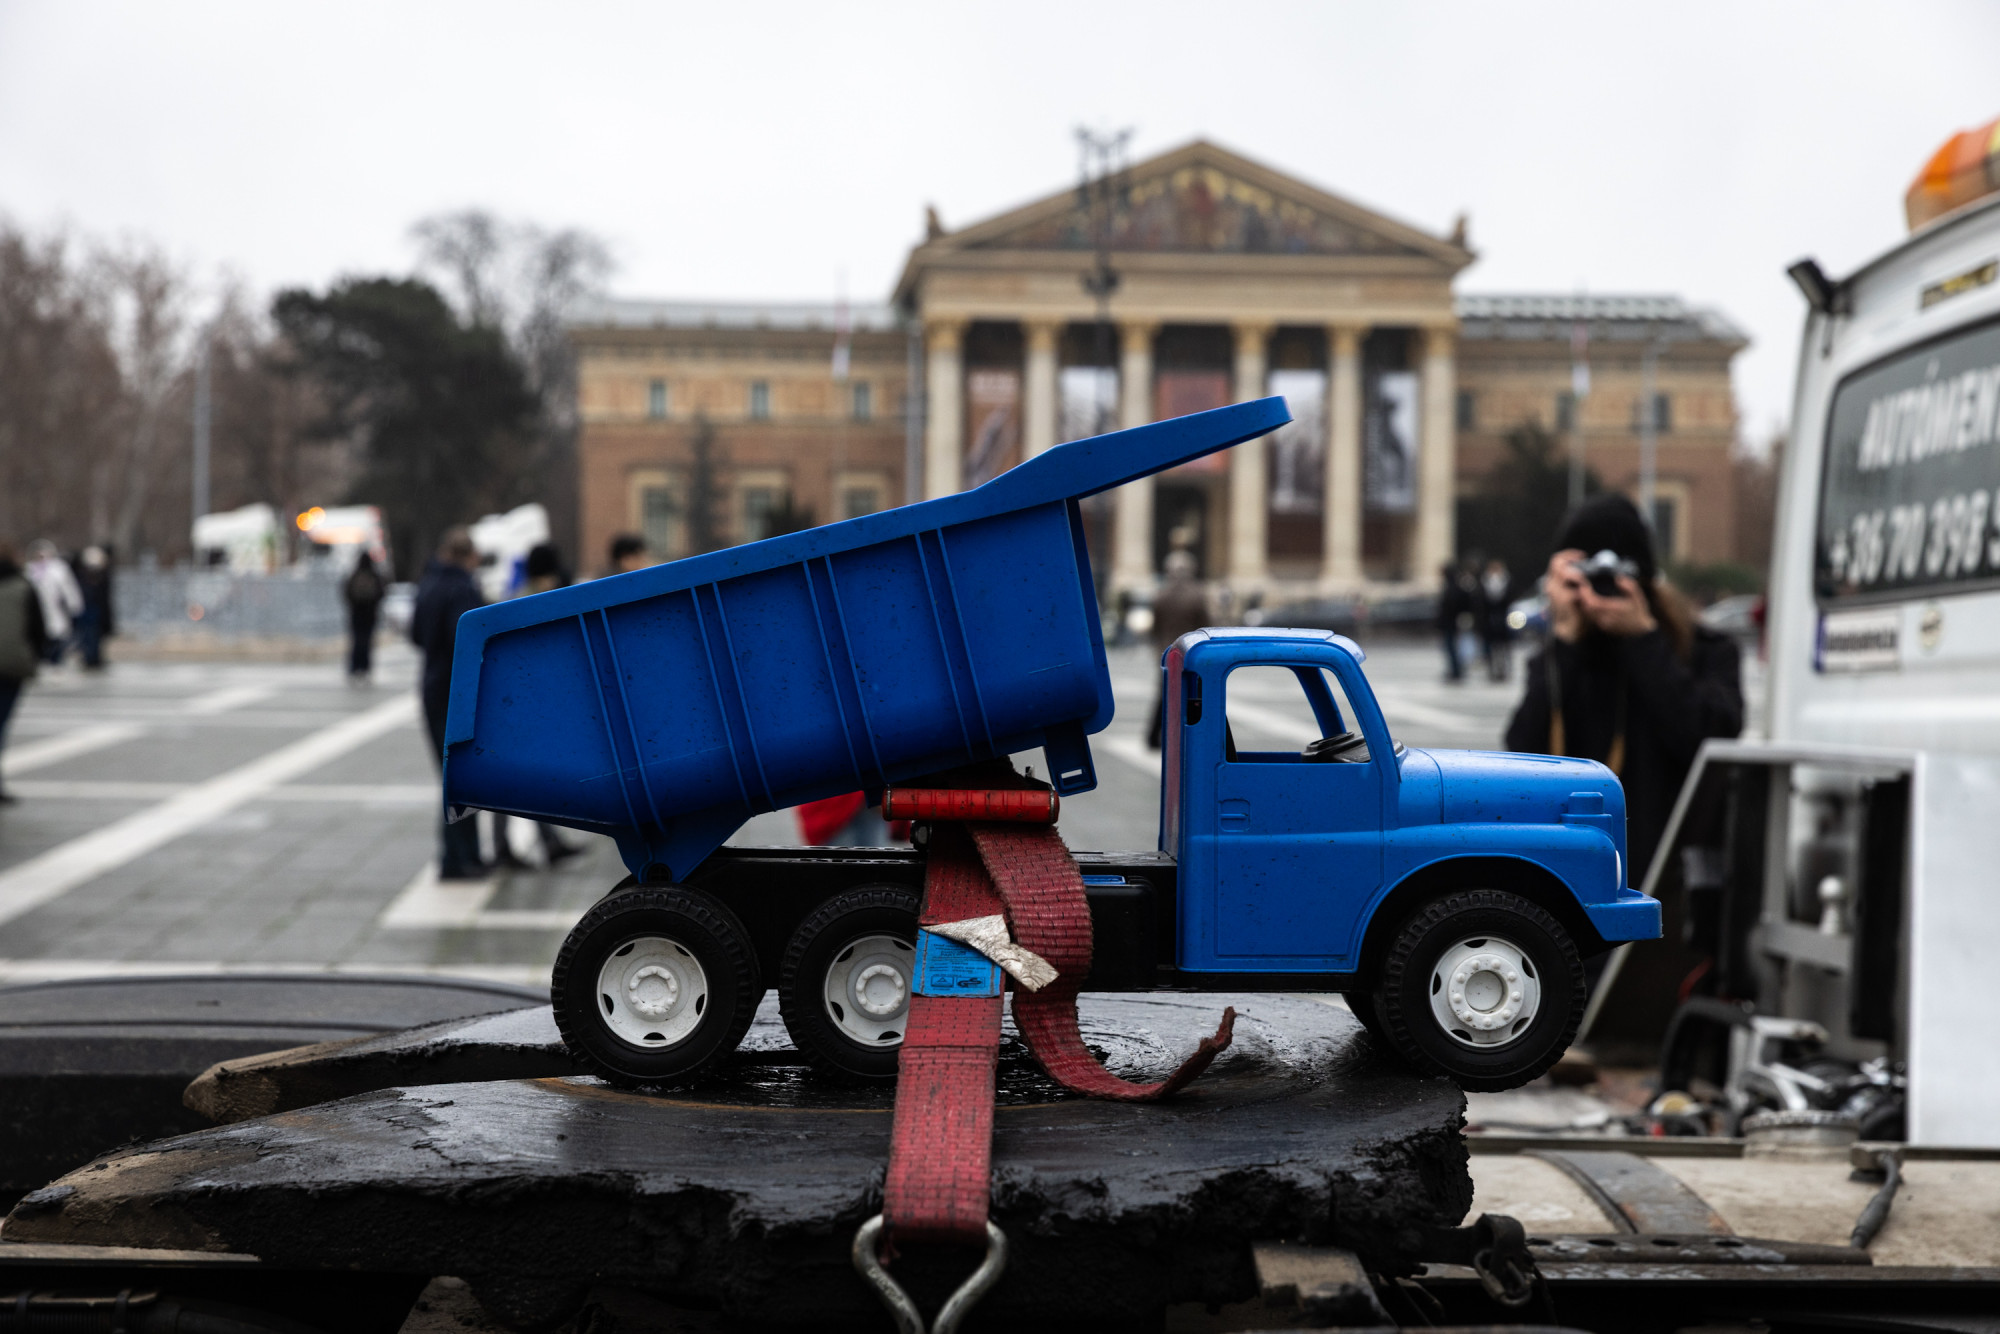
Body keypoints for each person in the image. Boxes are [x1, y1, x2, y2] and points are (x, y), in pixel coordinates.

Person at [1503, 494, 1743, 882]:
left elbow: (1710, 739)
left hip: (1669, 873)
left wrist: (1644, 641)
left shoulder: (1704, 651)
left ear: (1640, 578)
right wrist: (1564, 642)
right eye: (1582, 574)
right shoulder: (1562, 658)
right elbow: (1521, 756)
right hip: (1571, 873)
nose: (1598, 589)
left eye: (1610, 576)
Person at [490, 541, 584, 869]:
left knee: (522, 776)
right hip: (520, 706)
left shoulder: (521, 597)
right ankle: (509, 846)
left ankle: (546, 842)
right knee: (513, 778)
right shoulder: (534, 601)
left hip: (514, 704)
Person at [410, 528, 488, 880]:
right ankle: (459, 859)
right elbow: (469, 638)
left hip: (430, 687)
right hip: (456, 692)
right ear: (468, 556)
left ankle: (462, 856)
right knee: (462, 778)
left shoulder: (427, 584)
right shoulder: (463, 588)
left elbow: (414, 634)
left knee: (451, 778)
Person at [0, 543, 50, 804]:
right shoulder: (23, 586)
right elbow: (38, 629)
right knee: (1, 722)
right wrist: (36, 658)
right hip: (12, 664)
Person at [1147, 549, 1210, 749]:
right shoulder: (1197, 596)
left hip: (1166, 651)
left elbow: (1155, 627)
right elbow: (1206, 625)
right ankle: (1191, 737)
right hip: (1192, 652)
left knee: (1164, 695)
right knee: (1195, 695)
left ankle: (1153, 736)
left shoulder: (1161, 595)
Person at [24, 540, 81, 666]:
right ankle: (43, 661)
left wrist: (74, 604)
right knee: (40, 635)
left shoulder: (58, 569)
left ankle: (55, 662)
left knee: (57, 635)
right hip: (36, 609)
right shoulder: (29, 569)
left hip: (55, 608)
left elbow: (68, 588)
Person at [342, 550, 386, 684]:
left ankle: (355, 668)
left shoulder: (354, 575)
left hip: (356, 615)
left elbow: (346, 593)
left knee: (356, 642)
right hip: (370, 615)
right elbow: (381, 593)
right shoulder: (374, 575)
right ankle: (365, 668)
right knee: (367, 643)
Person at [71, 545, 113, 671]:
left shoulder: (101, 576)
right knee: (89, 635)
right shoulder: (83, 575)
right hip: (88, 610)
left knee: (95, 636)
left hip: (96, 611)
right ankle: (90, 658)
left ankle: (93, 658)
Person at [1436, 561, 1474, 683]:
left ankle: (1456, 670)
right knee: (1452, 647)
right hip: (1451, 622)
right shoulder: (1453, 586)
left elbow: (1455, 605)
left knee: (1453, 647)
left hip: (1451, 622)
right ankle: (1455, 670)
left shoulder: (1453, 587)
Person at [1478, 557, 1513, 683]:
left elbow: (1509, 600)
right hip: (1489, 620)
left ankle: (1503, 670)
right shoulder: (1483, 581)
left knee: (1503, 647)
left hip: (1503, 619)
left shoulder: (1507, 581)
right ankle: (1492, 670)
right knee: (1490, 647)